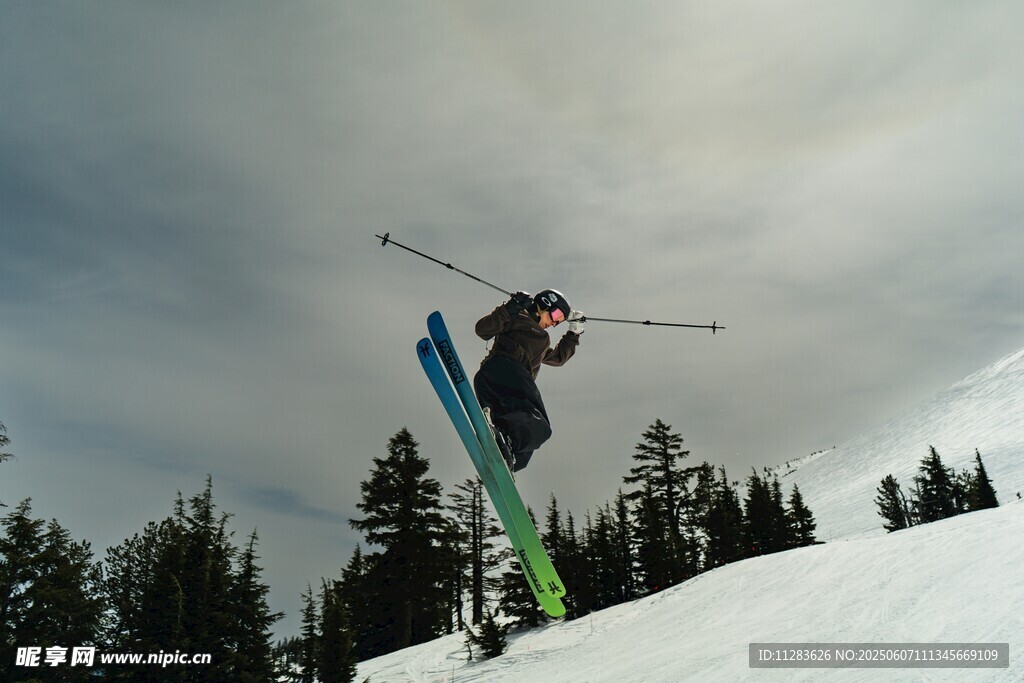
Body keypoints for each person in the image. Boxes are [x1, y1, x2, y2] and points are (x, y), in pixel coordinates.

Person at [474, 289, 584, 474]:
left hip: (499, 390)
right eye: (556, 315)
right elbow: (482, 329)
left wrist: (574, 333)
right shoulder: (519, 317)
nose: (555, 322)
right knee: (538, 424)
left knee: (527, 447)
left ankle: (505, 461)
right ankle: (505, 437)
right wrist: (509, 309)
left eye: (560, 321)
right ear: (545, 304)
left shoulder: (541, 341)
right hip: (503, 370)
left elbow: (558, 357)